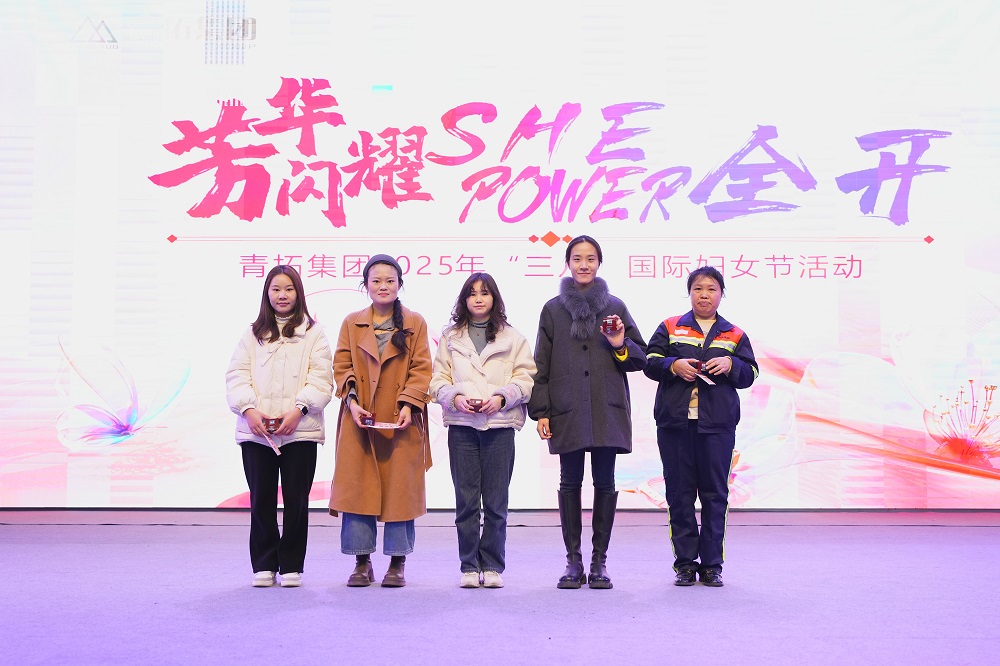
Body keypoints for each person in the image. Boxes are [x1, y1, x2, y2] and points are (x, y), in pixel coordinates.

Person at [528, 236, 647, 590]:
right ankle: (573, 560)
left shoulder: (615, 306)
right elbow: (541, 363)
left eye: (591, 258)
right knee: (569, 482)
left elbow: (640, 358)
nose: (584, 264)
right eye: (577, 258)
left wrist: (619, 344)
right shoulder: (552, 309)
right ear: (567, 263)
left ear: (599, 263)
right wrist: (542, 411)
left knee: (605, 483)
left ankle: (599, 562)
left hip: (606, 407)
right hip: (567, 408)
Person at [643, 266, 758, 588]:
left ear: (721, 294)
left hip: (717, 426)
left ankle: (711, 565)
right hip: (675, 425)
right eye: (697, 289)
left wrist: (731, 364)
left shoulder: (734, 334)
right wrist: (673, 365)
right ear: (689, 292)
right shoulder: (670, 327)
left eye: (711, 289)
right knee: (678, 495)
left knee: (715, 495)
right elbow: (649, 362)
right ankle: (684, 564)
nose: (704, 295)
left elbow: (751, 374)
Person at [225, 265, 334, 588]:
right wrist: (248, 410)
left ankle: (291, 566)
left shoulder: (314, 334)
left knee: (297, 502)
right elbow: (236, 375)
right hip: (256, 432)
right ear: (267, 294)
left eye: (288, 289)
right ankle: (264, 564)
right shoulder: (252, 334)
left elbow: (322, 379)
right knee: (261, 500)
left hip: (300, 430)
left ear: (298, 293)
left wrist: (299, 410)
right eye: (276, 289)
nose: (282, 295)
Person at [328, 254, 433, 588]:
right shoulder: (351, 322)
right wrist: (352, 402)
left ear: (400, 284)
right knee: (358, 489)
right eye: (376, 280)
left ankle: (397, 563)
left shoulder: (415, 322)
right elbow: (342, 366)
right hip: (360, 420)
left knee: (400, 492)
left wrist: (408, 405)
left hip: (401, 420)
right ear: (366, 285)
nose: (383, 286)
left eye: (390, 280)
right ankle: (362, 562)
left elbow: (422, 368)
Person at [430, 273, 536, 589]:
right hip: (462, 426)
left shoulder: (513, 338)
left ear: (494, 298)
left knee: (495, 502)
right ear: (464, 300)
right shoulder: (450, 337)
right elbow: (437, 380)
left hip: (499, 427)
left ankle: (491, 566)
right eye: (472, 293)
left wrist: (502, 398)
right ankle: (468, 565)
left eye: (485, 293)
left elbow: (526, 379)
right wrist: (455, 398)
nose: (478, 298)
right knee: (465, 502)